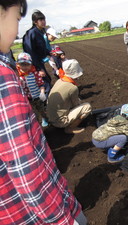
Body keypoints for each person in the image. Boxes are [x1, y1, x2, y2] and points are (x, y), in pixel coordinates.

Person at [0, 1, 87, 224]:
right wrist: (58, 217)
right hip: (32, 209)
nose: (17, 30)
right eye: (16, 19)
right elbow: (23, 162)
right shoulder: (4, 77)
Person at [47, 59, 92, 134]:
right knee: (87, 107)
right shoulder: (72, 88)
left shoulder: (59, 81)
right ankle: (70, 128)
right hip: (60, 122)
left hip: (50, 116)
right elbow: (76, 104)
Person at [23, 9, 51, 96]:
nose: (43, 22)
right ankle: (44, 103)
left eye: (44, 19)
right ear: (35, 22)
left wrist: (50, 52)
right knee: (45, 82)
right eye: (41, 20)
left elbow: (40, 48)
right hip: (33, 64)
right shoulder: (31, 33)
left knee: (46, 81)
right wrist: (38, 69)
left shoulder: (40, 32)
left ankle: (45, 102)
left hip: (39, 62)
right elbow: (30, 52)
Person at [16, 52, 48, 127]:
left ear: (31, 64)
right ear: (18, 64)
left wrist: (42, 93)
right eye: (23, 64)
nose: (25, 67)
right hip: (28, 99)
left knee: (41, 109)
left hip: (37, 97)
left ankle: (45, 118)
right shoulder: (18, 76)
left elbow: (41, 84)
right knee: (33, 113)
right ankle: (37, 125)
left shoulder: (34, 73)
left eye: (27, 64)